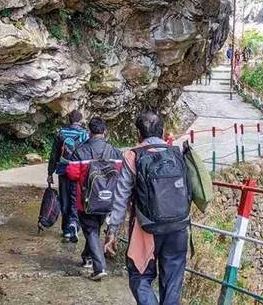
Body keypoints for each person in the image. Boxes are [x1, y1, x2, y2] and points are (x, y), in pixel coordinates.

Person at [104, 110, 190, 305]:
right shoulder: (177, 154)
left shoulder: (132, 156)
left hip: (146, 229)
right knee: (172, 283)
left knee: (140, 277)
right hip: (178, 227)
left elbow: (121, 197)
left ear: (138, 134)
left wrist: (112, 231)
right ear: (163, 131)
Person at [65, 117, 122, 281]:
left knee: (90, 230)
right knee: (94, 228)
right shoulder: (115, 152)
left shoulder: (81, 151)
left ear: (90, 132)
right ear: (105, 132)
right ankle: (87, 257)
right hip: (108, 200)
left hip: (86, 200)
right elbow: (121, 172)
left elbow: (71, 173)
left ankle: (99, 267)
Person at [47, 110, 89, 242]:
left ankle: (66, 230)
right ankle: (74, 226)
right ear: (80, 120)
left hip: (63, 170)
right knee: (76, 199)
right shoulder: (85, 134)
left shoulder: (61, 133)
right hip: (78, 172)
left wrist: (50, 173)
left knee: (64, 199)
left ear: (69, 120)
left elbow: (54, 154)